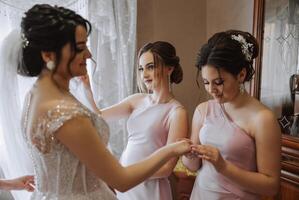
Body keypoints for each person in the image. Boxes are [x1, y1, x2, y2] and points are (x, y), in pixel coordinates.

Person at [13, 4, 191, 200]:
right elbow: (120, 180)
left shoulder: (35, 96)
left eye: (150, 67)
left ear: (169, 69)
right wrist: (170, 149)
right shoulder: (65, 112)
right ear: (48, 55)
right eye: (81, 48)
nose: (89, 54)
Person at [82, 41, 189, 200]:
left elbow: (167, 168)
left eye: (150, 67)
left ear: (169, 68)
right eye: (141, 68)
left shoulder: (176, 112)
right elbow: (98, 116)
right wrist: (86, 88)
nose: (144, 74)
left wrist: (129, 174)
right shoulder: (137, 100)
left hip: (151, 190)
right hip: (127, 185)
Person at [182, 30, 281, 199]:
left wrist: (224, 167)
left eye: (219, 82)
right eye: (206, 82)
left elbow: (271, 186)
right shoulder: (203, 110)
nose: (211, 90)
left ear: (241, 75)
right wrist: (188, 155)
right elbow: (192, 166)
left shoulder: (263, 119)